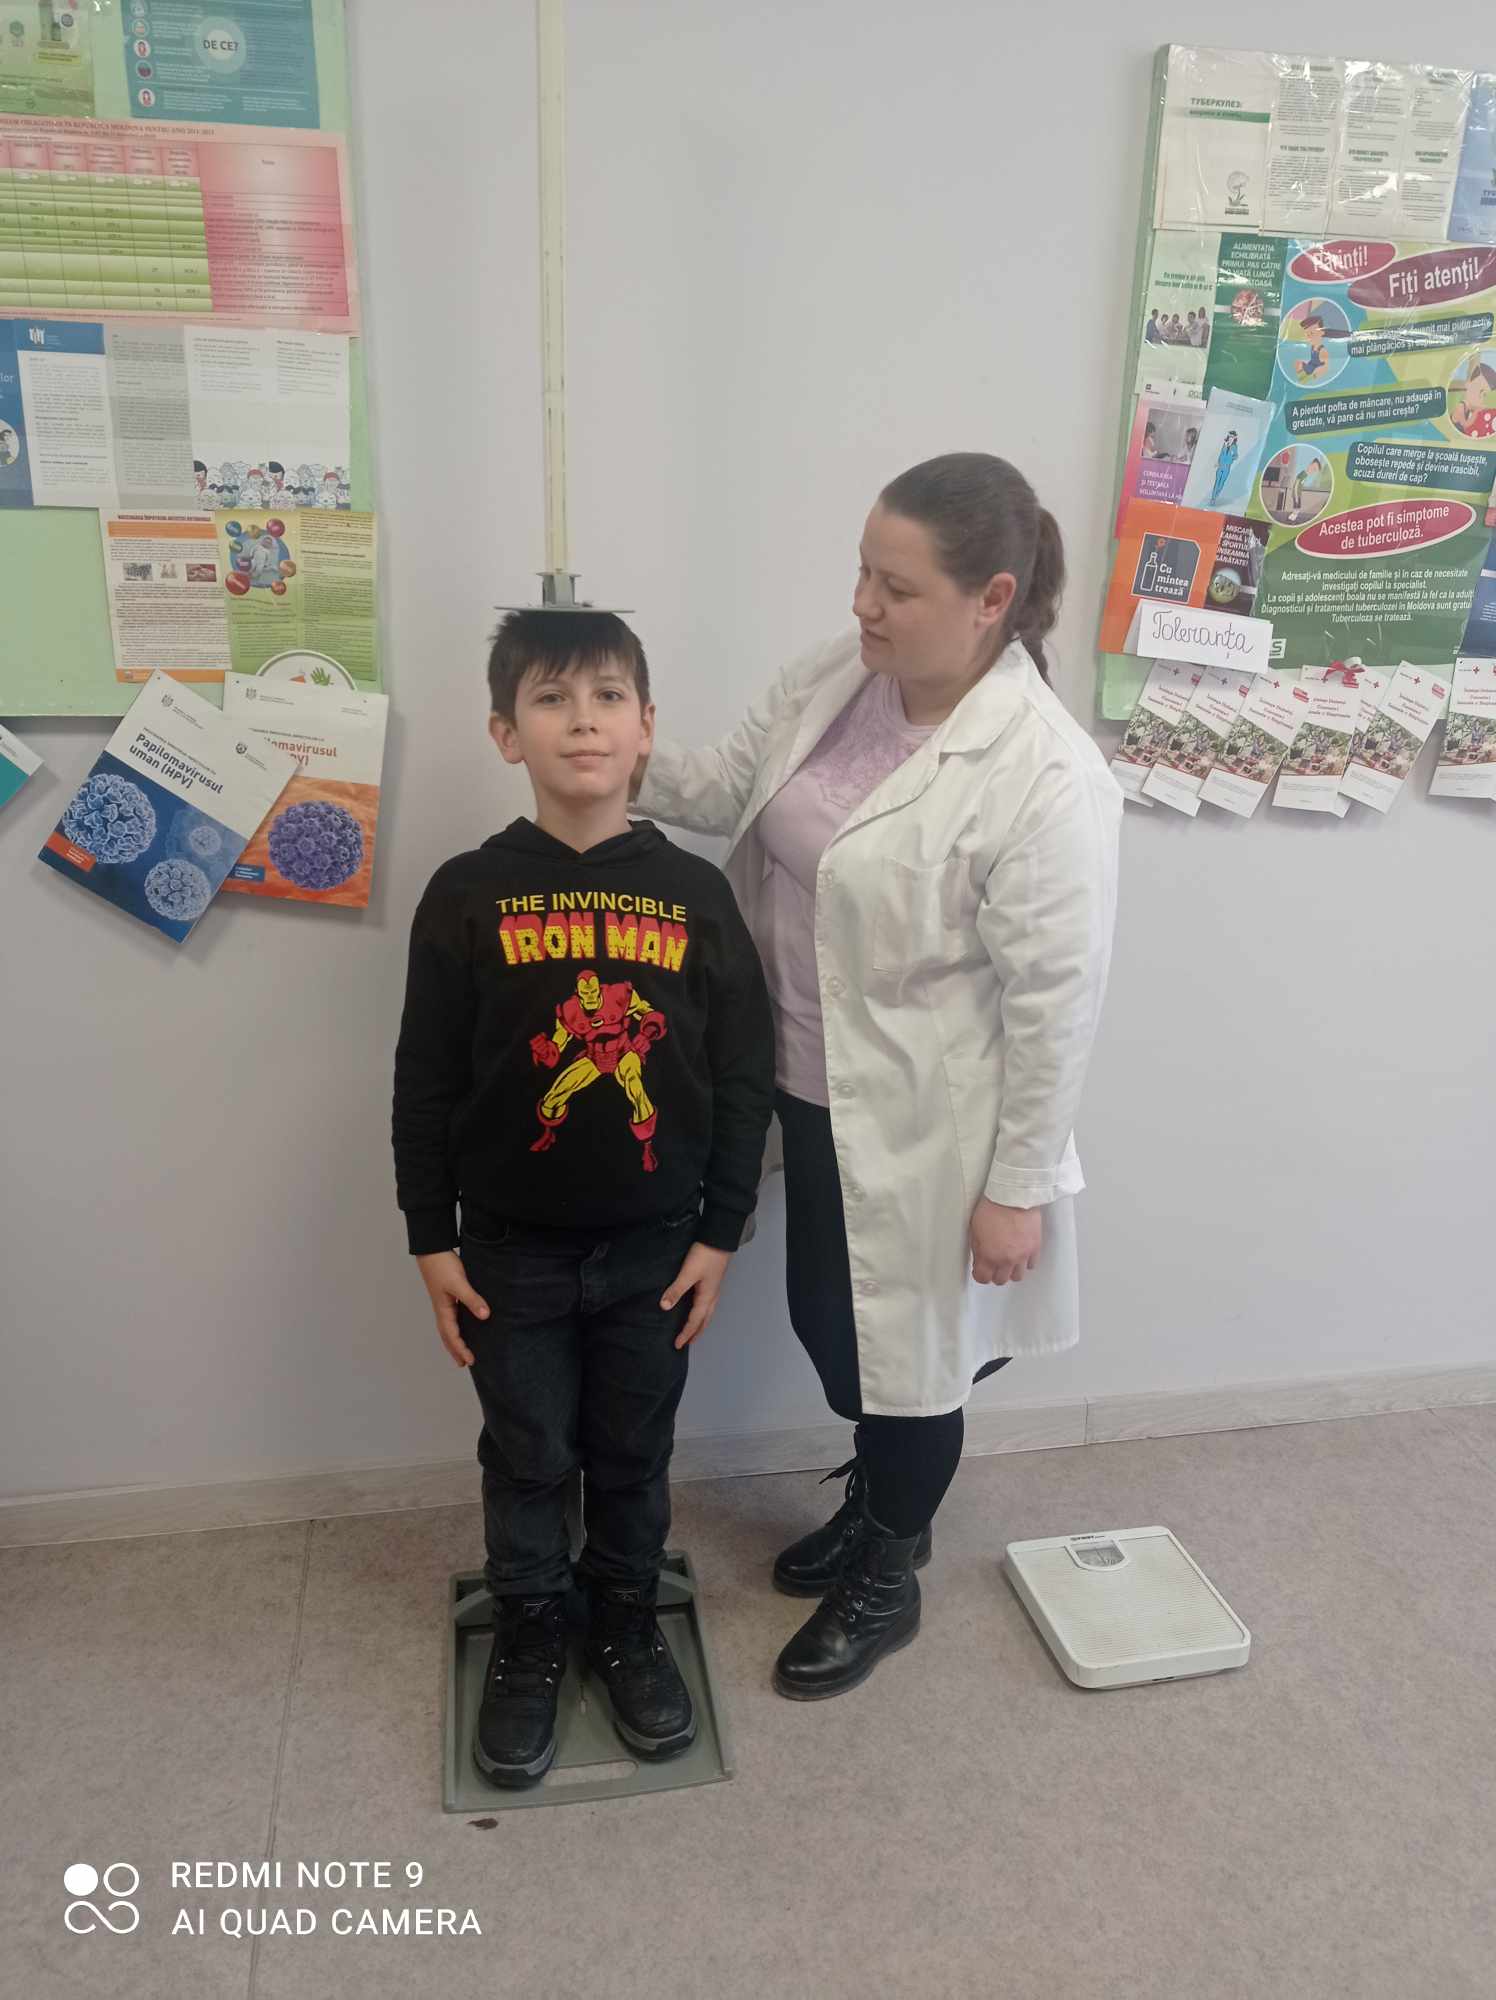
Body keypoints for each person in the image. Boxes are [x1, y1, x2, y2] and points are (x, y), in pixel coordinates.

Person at [636, 454, 1121, 1701]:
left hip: (933, 1125)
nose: (861, 603)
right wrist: (611, 747)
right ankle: (878, 1507)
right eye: (861, 571)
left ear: (990, 598)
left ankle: (888, 1564)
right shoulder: (835, 678)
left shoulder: (1042, 773)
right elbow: (726, 787)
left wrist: (1014, 1187)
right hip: (803, 1082)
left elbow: (1055, 1004)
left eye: (894, 587)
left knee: (910, 1359)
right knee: (834, 1332)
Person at [392, 611, 775, 1786]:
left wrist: (720, 1232)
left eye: (608, 696)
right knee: (526, 1450)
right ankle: (530, 1621)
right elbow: (425, 1077)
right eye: (551, 699)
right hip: (507, 1250)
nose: (583, 721)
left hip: (656, 1246)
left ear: (646, 726)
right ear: (505, 732)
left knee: (631, 1448)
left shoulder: (694, 894)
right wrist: (430, 1237)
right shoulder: (466, 892)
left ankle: (622, 1612)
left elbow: (741, 1073)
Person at [1209, 429, 1240, 506]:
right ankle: (1213, 498)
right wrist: (1218, 462)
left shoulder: (1234, 447)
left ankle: (1216, 496)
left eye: (1232, 437)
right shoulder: (1225, 444)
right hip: (1220, 466)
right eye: (1230, 437)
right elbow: (1221, 454)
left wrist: (1232, 457)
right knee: (1217, 482)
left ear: (1234, 438)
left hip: (1227, 467)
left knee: (1221, 483)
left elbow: (1236, 456)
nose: (1230, 438)